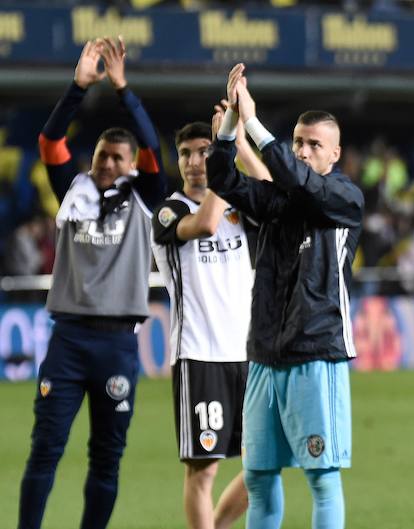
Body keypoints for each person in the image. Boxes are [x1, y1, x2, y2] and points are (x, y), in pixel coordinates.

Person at [205, 64, 364, 529]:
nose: (303, 150)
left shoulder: (343, 198)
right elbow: (223, 179)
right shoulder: (278, 202)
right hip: (264, 356)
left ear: (335, 154)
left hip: (315, 352)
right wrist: (232, 124)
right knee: (258, 476)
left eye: (315, 144)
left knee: (321, 477)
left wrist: (255, 125)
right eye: (298, 142)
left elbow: (302, 183)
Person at [18, 37, 166, 529]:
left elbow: (153, 148)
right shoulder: (73, 189)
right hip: (68, 341)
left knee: (106, 459)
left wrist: (124, 90)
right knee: (45, 451)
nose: (107, 164)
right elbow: (49, 142)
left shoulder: (144, 197)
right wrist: (78, 88)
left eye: (117, 159)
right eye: (103, 155)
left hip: (118, 343)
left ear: (130, 165)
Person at [150, 111, 271, 529]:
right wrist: (225, 155)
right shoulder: (167, 212)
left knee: (265, 462)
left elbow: (273, 191)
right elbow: (203, 225)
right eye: (185, 153)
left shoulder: (237, 203)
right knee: (204, 471)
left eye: (204, 152)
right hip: (199, 355)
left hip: (248, 354)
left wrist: (235, 144)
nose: (194, 161)